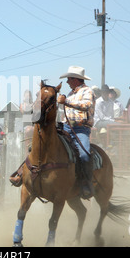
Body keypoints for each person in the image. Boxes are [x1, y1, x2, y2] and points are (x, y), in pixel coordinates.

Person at [57, 66, 95, 199]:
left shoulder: (87, 91)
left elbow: (86, 106)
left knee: (84, 154)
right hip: (67, 127)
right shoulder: (70, 94)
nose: (67, 81)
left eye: (69, 79)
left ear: (76, 79)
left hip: (81, 128)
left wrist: (66, 102)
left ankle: (86, 182)